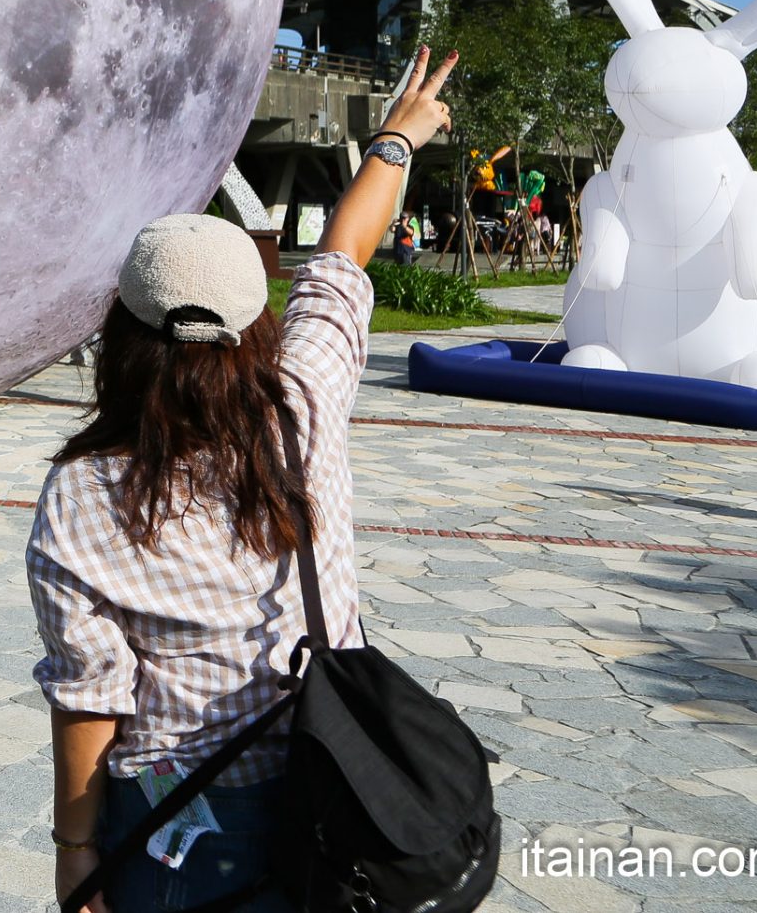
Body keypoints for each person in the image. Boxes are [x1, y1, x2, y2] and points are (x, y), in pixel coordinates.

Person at [31, 47, 457, 913]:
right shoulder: (302, 402)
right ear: (258, 323)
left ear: (123, 334)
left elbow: (91, 698)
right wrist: (397, 141)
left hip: (175, 820)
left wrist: (76, 850)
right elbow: (345, 255)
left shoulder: (83, 492)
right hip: (325, 783)